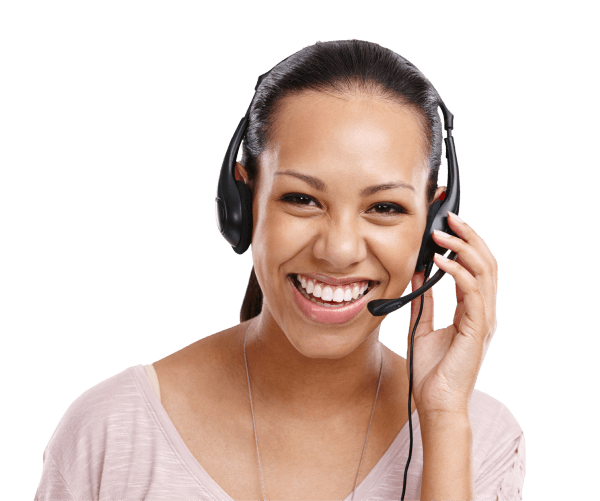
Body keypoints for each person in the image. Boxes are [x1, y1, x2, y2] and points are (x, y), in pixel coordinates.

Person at [34, 39, 525, 501]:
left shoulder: (478, 436)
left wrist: (441, 420)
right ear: (243, 201)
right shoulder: (111, 431)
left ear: (435, 223)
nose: (338, 250)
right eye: (301, 199)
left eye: (385, 208)